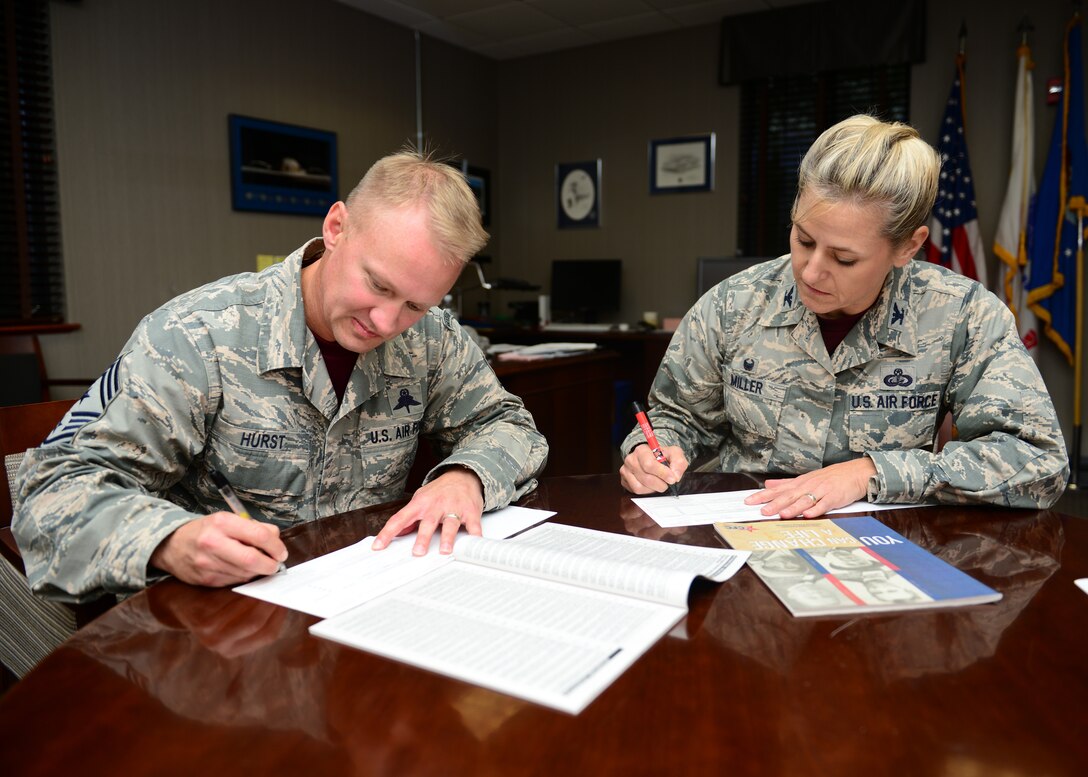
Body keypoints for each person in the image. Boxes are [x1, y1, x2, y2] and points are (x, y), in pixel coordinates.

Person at [13, 150, 548, 602]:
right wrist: (169, 540)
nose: (387, 323)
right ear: (336, 228)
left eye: (413, 303)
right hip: (217, 628)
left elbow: (510, 425)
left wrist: (466, 478)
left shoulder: (429, 338)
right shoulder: (199, 336)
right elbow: (52, 496)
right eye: (378, 286)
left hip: (372, 600)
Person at [620, 114, 1069, 514]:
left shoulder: (961, 315)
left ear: (908, 247)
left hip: (889, 544)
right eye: (803, 239)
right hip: (747, 530)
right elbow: (676, 417)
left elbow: (1039, 462)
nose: (811, 271)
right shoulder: (732, 304)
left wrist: (869, 473)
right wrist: (652, 451)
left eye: (844, 258)